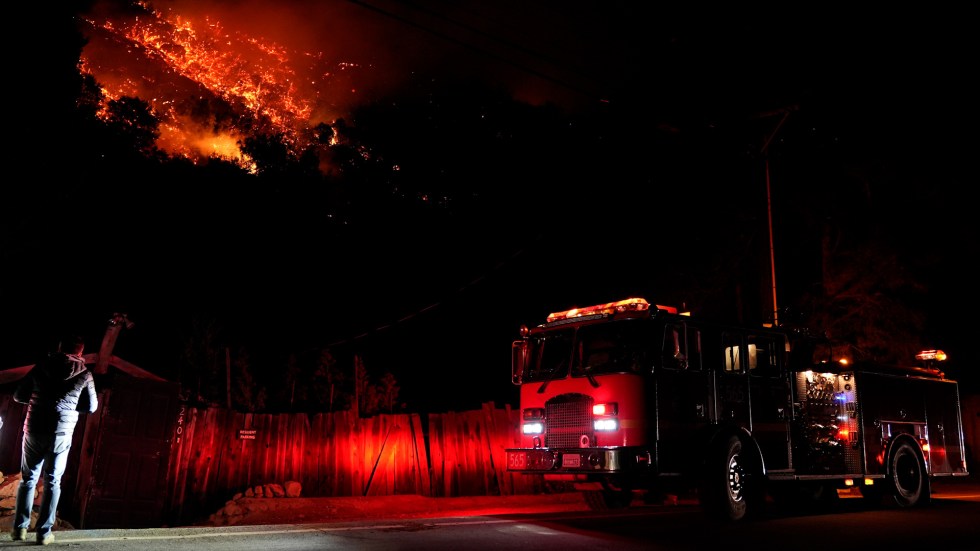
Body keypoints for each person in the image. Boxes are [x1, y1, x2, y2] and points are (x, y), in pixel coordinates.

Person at [10, 335, 98, 546]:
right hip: (61, 431)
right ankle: (43, 532)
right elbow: (91, 406)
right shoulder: (85, 374)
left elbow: (18, 395)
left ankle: (20, 529)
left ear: (59, 348)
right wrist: (71, 405)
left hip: (34, 429)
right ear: (80, 352)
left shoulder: (41, 367)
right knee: (52, 480)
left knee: (28, 479)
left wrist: (37, 399)